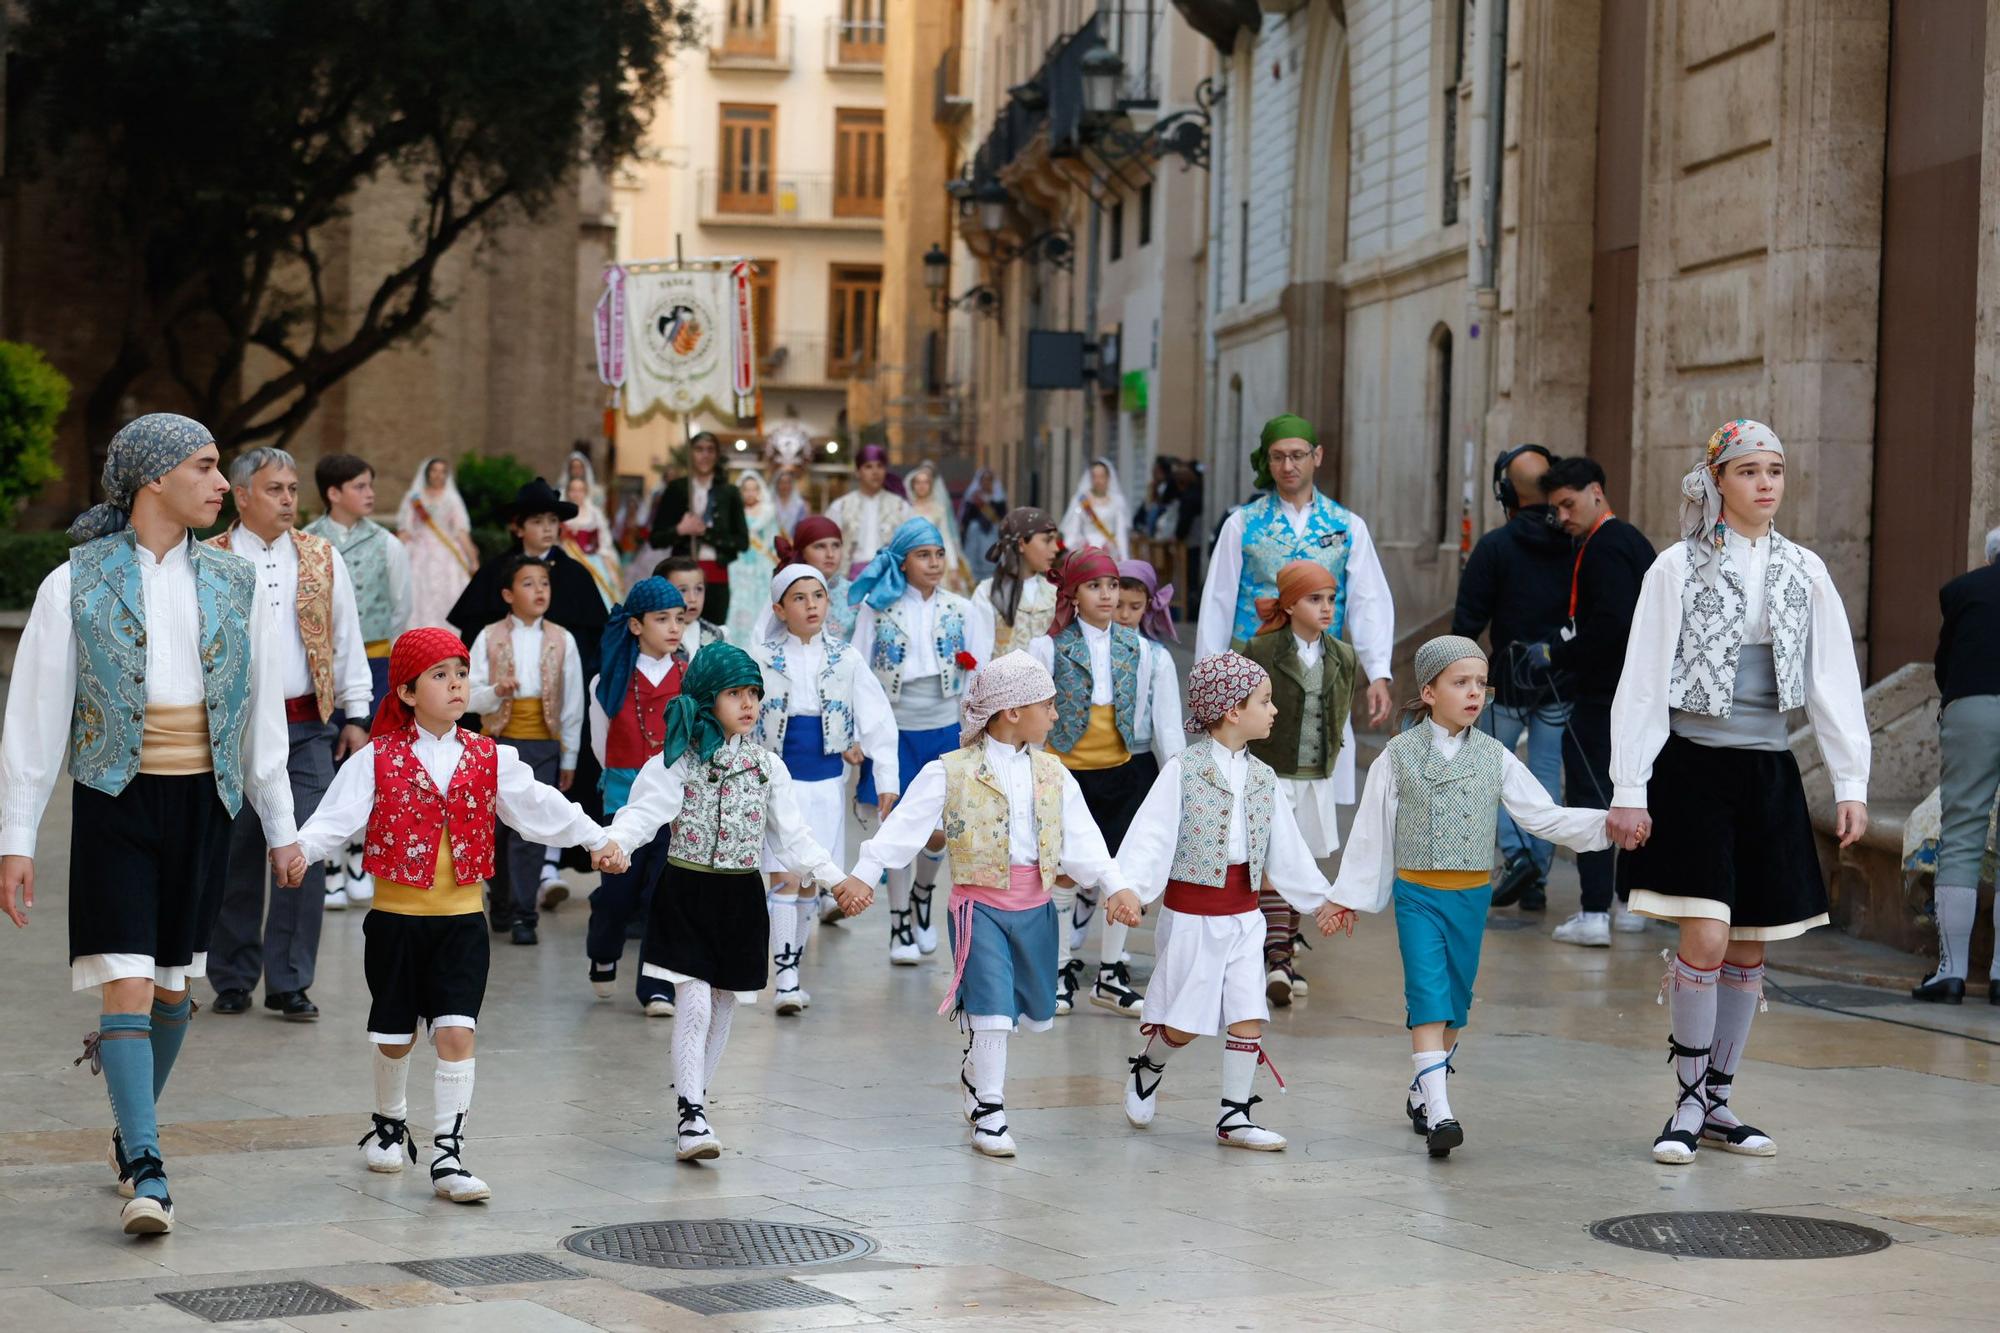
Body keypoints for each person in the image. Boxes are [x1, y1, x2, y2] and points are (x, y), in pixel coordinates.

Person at [0, 413, 302, 1235]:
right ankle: (146, 1163)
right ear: (153, 478)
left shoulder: (238, 582)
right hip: (114, 800)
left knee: (175, 985)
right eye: (205, 467)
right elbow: (34, 716)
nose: (219, 484)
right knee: (126, 978)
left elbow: (260, 713)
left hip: (206, 802)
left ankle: (132, 1131)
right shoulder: (74, 581)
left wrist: (282, 823)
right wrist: (15, 838)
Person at [1606, 420, 1869, 1165]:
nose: (1765, 483)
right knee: (1707, 934)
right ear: (1717, 479)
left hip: (1768, 768)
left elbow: (1832, 682)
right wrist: (1631, 784)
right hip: (1693, 767)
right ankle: (1686, 1097)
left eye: (1776, 470)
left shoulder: (1805, 569)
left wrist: (1850, 781)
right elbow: (1644, 680)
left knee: (1750, 941)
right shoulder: (1675, 568)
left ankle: (1719, 1099)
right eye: (1749, 469)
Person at [294, 627, 616, 1204]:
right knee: (394, 1038)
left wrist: (596, 839)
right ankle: (390, 1125)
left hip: (463, 921)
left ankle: (448, 1152)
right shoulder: (378, 758)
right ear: (410, 692)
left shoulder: (491, 756)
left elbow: (542, 807)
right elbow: (334, 818)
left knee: (456, 1033)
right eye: (440, 676)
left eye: (461, 674)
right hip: (395, 922)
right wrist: (299, 852)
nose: (456, 685)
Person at [1326, 636, 1609, 1158]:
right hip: (1417, 896)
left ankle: (1421, 1091)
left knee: (1455, 1007)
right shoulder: (1398, 755)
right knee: (1428, 1000)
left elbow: (1541, 816)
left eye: (1481, 683)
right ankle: (1441, 1114)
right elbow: (1370, 831)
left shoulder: (1495, 756)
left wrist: (1606, 826)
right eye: (1461, 683)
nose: (1475, 693)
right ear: (1429, 691)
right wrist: (1347, 896)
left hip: (1471, 897)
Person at [848, 652, 1129, 1158]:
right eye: (1049, 704)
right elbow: (904, 828)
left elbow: (1083, 839)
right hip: (979, 909)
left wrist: (1115, 884)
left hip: (1036, 910)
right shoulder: (950, 771)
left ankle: (975, 1073)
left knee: (1026, 1013)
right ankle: (991, 1111)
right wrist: (865, 875)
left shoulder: (1054, 773)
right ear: (1013, 711)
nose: (1057, 715)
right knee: (993, 1010)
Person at [603, 644, 872, 1161]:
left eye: (753, 693)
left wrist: (838, 880)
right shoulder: (680, 760)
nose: (748, 704)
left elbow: (794, 839)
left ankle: (696, 1101)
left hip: (741, 896)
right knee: (696, 999)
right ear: (708, 698)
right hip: (687, 890)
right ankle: (690, 1114)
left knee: (726, 1001)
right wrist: (616, 844)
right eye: (735, 693)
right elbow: (644, 812)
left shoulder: (768, 767)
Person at [1109, 653, 1340, 1150]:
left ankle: (1234, 1116)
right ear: (1233, 711)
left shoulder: (1263, 777)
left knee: (1247, 1011)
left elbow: (1289, 850)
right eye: (1265, 701)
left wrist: (1323, 899)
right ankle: (1150, 1065)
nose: (1274, 710)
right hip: (1193, 916)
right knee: (1184, 1023)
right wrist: (1127, 887)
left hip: (1243, 915)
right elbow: (1152, 835)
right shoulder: (1183, 771)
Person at [205, 448, 374, 1023]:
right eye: (273, 488)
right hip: (231, 731)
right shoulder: (208, 559)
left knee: (305, 848)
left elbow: (348, 638)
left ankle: (290, 979)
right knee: (237, 853)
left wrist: (356, 716)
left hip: (306, 729)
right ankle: (231, 976)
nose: (286, 499)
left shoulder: (322, 557)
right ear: (243, 495)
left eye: (292, 488)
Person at [1194, 415, 1395, 807]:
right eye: (1278, 457)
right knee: (1250, 776)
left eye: (1298, 455)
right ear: (1267, 462)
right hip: (1254, 664)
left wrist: (1379, 671)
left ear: (1316, 456)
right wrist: (1209, 676)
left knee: (1316, 768)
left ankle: (1303, 863)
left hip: (1323, 665)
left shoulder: (1346, 525)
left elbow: (1368, 599)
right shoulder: (1243, 524)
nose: (1288, 466)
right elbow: (1218, 597)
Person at [1027, 549, 1184, 1016]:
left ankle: (1112, 971)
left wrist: (1179, 779)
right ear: (1073, 593)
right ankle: (1056, 968)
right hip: (1064, 774)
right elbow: (1033, 717)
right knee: (1063, 873)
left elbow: (1167, 726)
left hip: (1125, 773)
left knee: (1125, 870)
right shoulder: (1048, 649)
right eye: (1095, 586)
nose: (1107, 595)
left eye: (1113, 585)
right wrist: (1029, 772)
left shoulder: (1147, 654)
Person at [751, 564, 899, 1012]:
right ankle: (786, 977)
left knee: (812, 878)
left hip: (827, 781)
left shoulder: (845, 658)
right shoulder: (761, 656)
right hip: (779, 779)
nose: (811, 604)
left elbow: (876, 718)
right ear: (779, 607)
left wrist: (886, 778)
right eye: (799, 598)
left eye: (818, 595)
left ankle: (793, 963)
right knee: (784, 874)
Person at [849, 517, 993, 966]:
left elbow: (979, 674)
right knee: (894, 827)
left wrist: (977, 732)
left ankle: (923, 894)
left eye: (938, 554)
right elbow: (856, 672)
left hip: (945, 726)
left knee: (937, 830)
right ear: (903, 560)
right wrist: (858, 733)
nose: (933, 563)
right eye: (923, 555)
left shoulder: (963, 608)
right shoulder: (877, 609)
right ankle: (898, 924)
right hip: (895, 728)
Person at [1531, 456, 1657, 947]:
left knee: (1591, 802)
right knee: (1633, 796)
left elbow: (1610, 629)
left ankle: (1593, 912)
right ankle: (1628, 903)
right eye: (1555, 508)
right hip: (1637, 699)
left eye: (1568, 503)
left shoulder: (1605, 548)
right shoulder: (1631, 543)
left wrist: (1555, 653)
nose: (1562, 516)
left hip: (1604, 698)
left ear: (1596, 492)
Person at [1451, 444, 1573, 913]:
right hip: (1562, 679)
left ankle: (1518, 857)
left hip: (1505, 678)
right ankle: (1537, 875)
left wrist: (1456, 679)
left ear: (1507, 492)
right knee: (1544, 776)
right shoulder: (1575, 541)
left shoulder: (1495, 546)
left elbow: (1467, 621)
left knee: (1493, 772)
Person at [1242, 561, 1359, 1005]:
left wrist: (1331, 768)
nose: (1327, 607)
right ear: (1289, 605)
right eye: (1315, 599)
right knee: (1272, 868)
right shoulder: (1261, 649)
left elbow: (1341, 715)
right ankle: (1277, 961)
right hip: (1272, 772)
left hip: (1315, 777)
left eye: (1331, 598)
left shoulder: (1342, 656)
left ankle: (1282, 954)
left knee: (1303, 867)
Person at [308, 453, 413, 911]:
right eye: (360, 486)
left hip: (372, 661)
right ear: (334, 493)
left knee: (370, 761)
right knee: (324, 761)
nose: (370, 494)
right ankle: (329, 862)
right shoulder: (308, 541)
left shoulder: (386, 544)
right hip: (317, 668)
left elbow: (400, 609)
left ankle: (359, 858)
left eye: (371, 485)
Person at [466, 557, 586, 946]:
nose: (539, 591)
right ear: (507, 593)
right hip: (497, 742)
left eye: (544, 584)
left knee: (529, 829)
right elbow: (467, 693)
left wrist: (567, 756)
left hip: (542, 743)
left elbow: (572, 703)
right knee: (495, 828)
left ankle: (524, 913)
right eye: (529, 583)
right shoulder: (488, 636)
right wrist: (495, 692)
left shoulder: (562, 639)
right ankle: (499, 900)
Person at [585, 576, 687, 1015]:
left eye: (679, 619)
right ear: (635, 626)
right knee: (618, 892)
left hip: (674, 801)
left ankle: (657, 986)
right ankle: (603, 948)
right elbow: (599, 739)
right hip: (624, 797)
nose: (673, 627)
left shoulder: (690, 676)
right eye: (661, 618)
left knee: (661, 895)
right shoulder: (608, 682)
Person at [1915, 527, 2000, 1003]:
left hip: (1971, 709)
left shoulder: (1963, 591)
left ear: (1991, 559)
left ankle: (1950, 972)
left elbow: (1943, 664)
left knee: (1963, 832)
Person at [447, 479, 610, 683]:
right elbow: (473, 636)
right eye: (537, 521)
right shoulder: (495, 572)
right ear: (519, 528)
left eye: (552, 520)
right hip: (501, 684)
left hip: (561, 684)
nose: (547, 528)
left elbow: (590, 644)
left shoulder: (576, 575)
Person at [647, 432, 749, 625]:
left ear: (717, 455)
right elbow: (656, 538)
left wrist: (705, 533)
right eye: (699, 449)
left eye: (710, 450)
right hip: (681, 575)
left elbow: (742, 542)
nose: (705, 455)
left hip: (717, 576)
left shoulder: (730, 493)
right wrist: (680, 530)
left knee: (713, 634)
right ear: (690, 454)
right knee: (677, 629)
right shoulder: (676, 489)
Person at [396, 456, 477, 631]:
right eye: (434, 470)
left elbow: (461, 531)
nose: (438, 475)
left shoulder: (452, 499)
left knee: (448, 595)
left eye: (443, 471)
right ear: (427, 473)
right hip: (418, 552)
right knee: (417, 596)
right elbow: (405, 529)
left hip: (447, 555)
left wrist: (473, 559)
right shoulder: (414, 497)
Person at [970, 507, 1062, 655]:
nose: (1056, 548)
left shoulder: (1056, 593)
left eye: (1055, 540)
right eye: (1047, 540)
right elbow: (978, 655)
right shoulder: (987, 593)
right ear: (1021, 544)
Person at [827, 443, 914, 576]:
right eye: (868, 467)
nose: (875, 472)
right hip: (849, 576)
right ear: (858, 472)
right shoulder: (841, 506)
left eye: (880, 466)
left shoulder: (900, 506)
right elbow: (827, 545)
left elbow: (911, 544)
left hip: (890, 576)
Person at [771, 515, 856, 643]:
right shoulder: (785, 591)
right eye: (820, 546)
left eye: (836, 545)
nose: (830, 554)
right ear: (802, 551)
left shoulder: (857, 595)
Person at [725, 470, 780, 646]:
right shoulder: (735, 511)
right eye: (746, 489)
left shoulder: (767, 512)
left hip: (760, 565)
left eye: (753, 489)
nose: (750, 493)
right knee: (738, 600)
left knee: (760, 601)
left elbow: (773, 538)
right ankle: (737, 642)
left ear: (759, 490)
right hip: (739, 564)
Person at [905, 461, 972, 593]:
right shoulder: (906, 510)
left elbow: (946, 538)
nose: (921, 486)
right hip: (913, 563)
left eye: (925, 482)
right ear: (913, 486)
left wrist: (953, 568)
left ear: (931, 485)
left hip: (935, 562)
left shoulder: (938, 510)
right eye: (918, 482)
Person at [561, 471, 621, 609]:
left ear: (586, 492)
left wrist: (608, 564)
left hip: (593, 561)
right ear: (568, 492)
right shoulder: (563, 513)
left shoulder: (594, 513)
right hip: (570, 559)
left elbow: (603, 540)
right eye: (573, 490)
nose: (577, 494)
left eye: (580, 490)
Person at [1060, 457, 1132, 559]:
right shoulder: (1080, 501)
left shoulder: (1117, 502)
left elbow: (1121, 532)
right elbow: (1073, 529)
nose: (1098, 481)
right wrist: (1076, 546)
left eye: (1101, 476)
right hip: (1086, 551)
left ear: (1108, 478)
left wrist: (1123, 556)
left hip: (1110, 551)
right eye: (1095, 477)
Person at [661, 555, 728, 658]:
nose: (692, 599)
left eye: (699, 589)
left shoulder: (716, 635)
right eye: (683, 590)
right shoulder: (654, 636)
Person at [960, 469, 1006, 583]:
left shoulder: (999, 499)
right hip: (975, 534)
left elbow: (1003, 518)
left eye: (989, 480)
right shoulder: (973, 498)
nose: (986, 483)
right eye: (984, 480)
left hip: (993, 535)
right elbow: (965, 519)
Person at [772, 465, 809, 535]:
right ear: (777, 484)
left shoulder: (800, 504)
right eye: (782, 482)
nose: (785, 486)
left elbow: (801, 526)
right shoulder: (770, 503)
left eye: (787, 482)